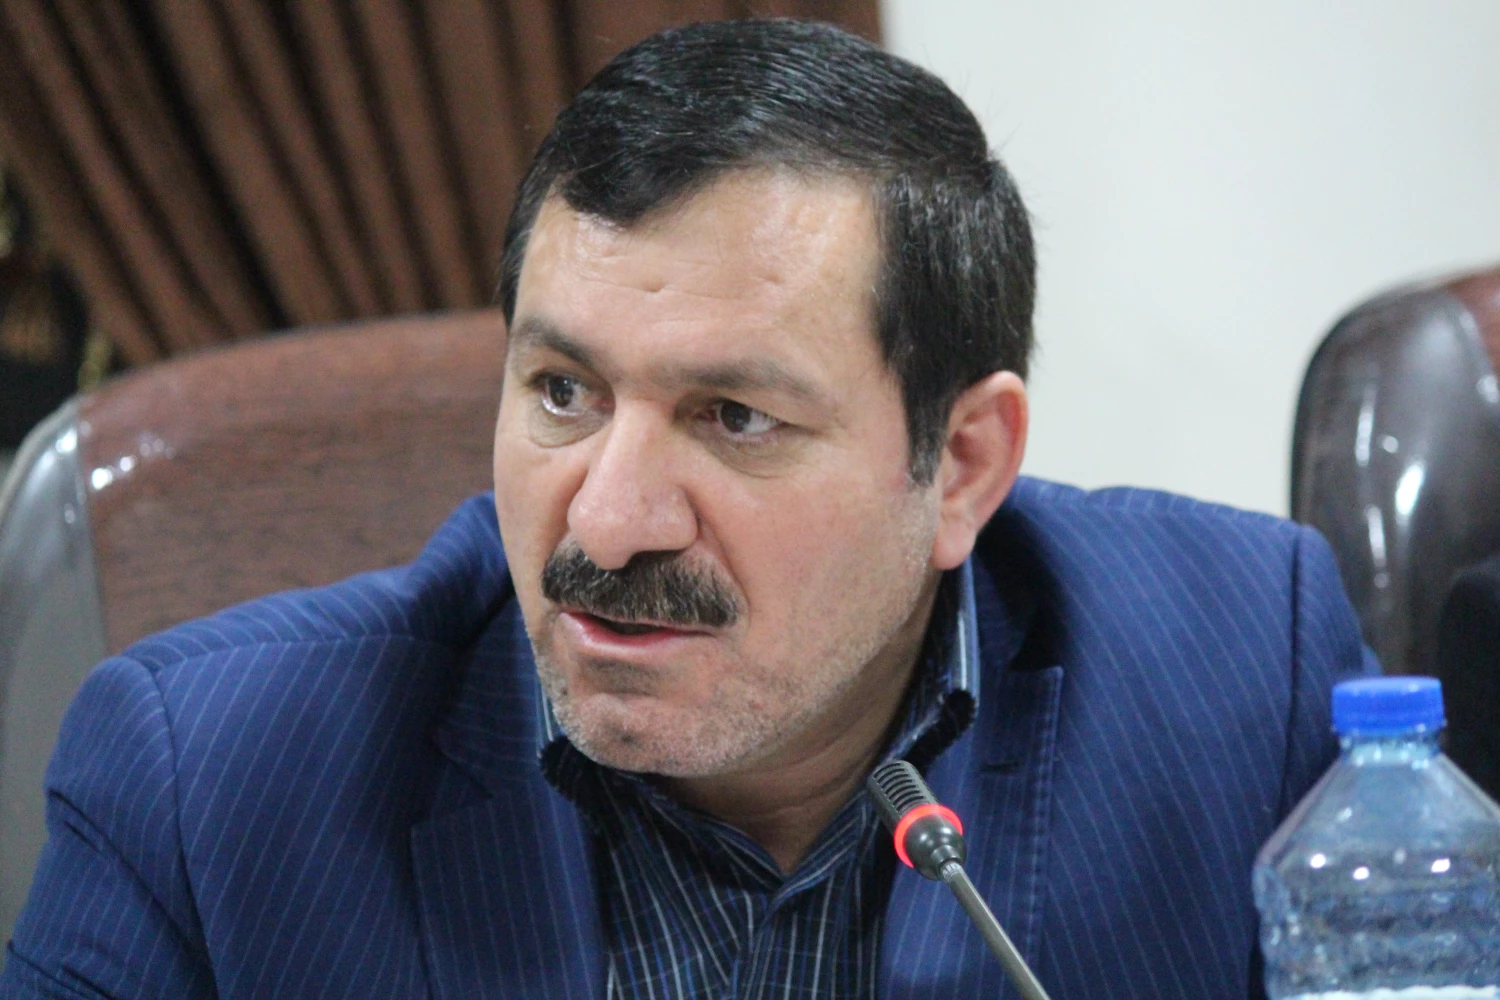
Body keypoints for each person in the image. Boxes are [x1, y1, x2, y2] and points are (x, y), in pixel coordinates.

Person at [1, 19, 1372, 1000]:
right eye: (563, 392)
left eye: (734, 417)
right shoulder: (207, 784)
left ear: (960, 465)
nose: (606, 526)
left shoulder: (1244, 675)